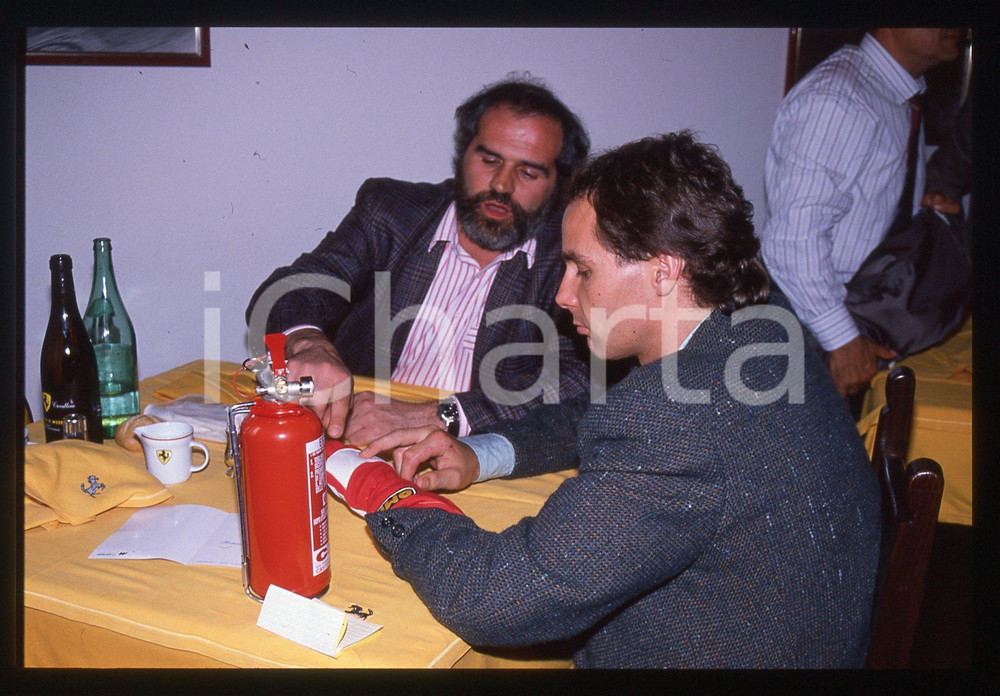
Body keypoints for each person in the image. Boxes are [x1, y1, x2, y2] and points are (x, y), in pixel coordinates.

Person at [324, 132, 882, 668]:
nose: (564, 295)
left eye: (583, 270)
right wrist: (481, 452)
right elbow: (604, 417)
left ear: (664, 269)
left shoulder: (679, 418)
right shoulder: (759, 321)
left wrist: (393, 501)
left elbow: (493, 599)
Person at [246, 76, 591, 445]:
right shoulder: (392, 213)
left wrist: (438, 416)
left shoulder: (571, 253)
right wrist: (308, 342)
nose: (502, 185)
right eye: (489, 159)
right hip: (354, 434)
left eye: (528, 172)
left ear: (559, 185)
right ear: (463, 154)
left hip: (475, 448)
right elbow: (292, 288)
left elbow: (581, 380)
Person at [760, 29, 964, 400]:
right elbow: (792, 239)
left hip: (848, 328)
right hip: (818, 338)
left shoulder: (891, 96)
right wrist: (841, 339)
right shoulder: (840, 99)